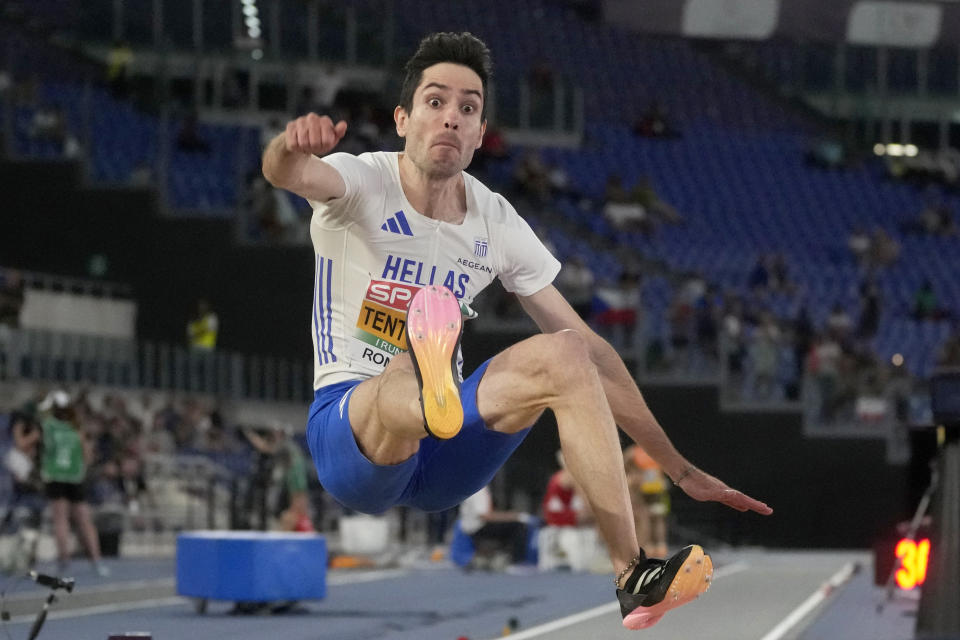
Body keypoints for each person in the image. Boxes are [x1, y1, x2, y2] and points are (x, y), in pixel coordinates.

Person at [262, 31, 771, 631]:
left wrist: (677, 467)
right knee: (401, 367)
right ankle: (424, 386)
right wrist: (289, 144)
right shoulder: (360, 182)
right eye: (435, 102)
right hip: (351, 435)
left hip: (446, 459)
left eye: (468, 108)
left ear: (480, 135)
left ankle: (632, 576)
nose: (451, 117)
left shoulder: (495, 220)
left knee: (567, 352)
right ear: (402, 119)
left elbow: (598, 358)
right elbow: (286, 172)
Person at [38, 390, 109, 576]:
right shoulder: (76, 427)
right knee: (84, 520)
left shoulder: (48, 426)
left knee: (60, 520)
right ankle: (97, 561)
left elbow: (45, 448)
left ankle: (64, 561)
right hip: (74, 477)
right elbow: (87, 455)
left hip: (55, 476)